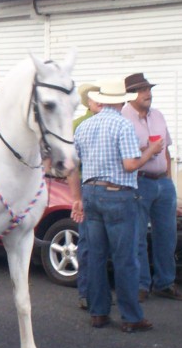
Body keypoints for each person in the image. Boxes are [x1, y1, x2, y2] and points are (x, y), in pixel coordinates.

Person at [68, 77, 164, 333]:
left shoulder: (84, 127)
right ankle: (131, 316)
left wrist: (76, 198)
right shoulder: (123, 126)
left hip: (90, 192)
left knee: (96, 256)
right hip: (119, 194)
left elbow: (70, 167)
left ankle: (98, 312)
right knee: (126, 258)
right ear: (122, 101)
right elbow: (130, 165)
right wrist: (151, 151)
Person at [121, 72, 182, 301]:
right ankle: (141, 285)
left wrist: (168, 177)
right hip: (139, 180)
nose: (148, 94)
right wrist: (146, 150)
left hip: (162, 181)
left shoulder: (158, 115)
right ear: (131, 94)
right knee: (138, 235)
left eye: (149, 89)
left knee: (167, 235)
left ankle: (165, 282)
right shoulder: (123, 118)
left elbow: (167, 149)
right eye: (143, 90)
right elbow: (123, 156)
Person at [72, 84, 103, 309]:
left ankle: (92, 293)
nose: (99, 102)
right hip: (86, 186)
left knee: (92, 244)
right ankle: (86, 291)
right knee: (87, 243)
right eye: (95, 99)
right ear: (88, 103)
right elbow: (71, 164)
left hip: (90, 187)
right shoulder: (77, 126)